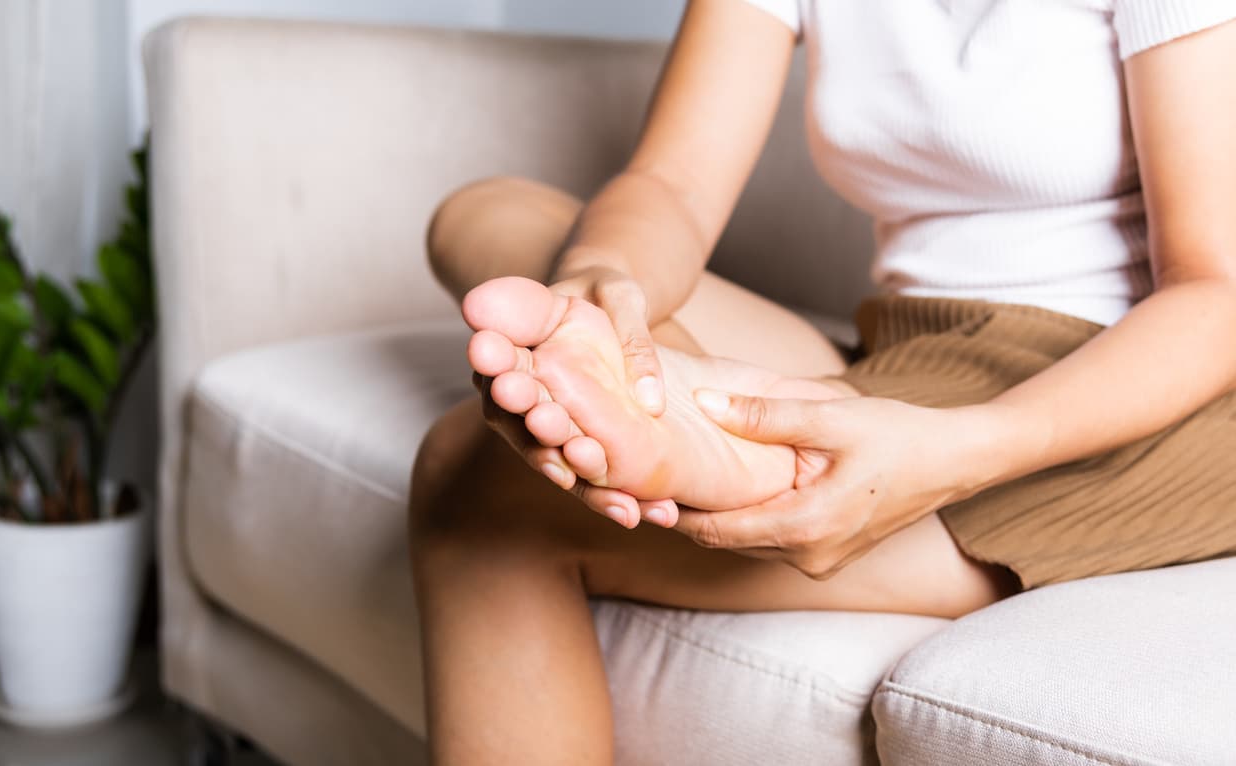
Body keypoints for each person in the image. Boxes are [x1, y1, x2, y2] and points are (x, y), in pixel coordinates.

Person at [408, 0, 1236, 762]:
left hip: (1126, 383)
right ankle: (663, 393)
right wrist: (604, 279)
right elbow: (672, 185)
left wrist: (959, 450)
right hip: (910, 350)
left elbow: (1215, 292)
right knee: (485, 216)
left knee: (474, 477)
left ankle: (718, 433)